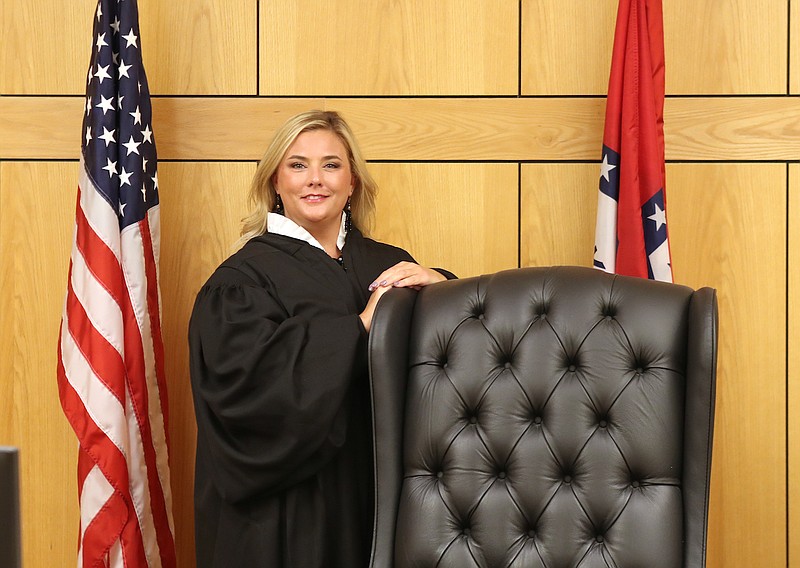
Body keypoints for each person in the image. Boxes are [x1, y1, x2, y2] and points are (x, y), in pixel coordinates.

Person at [188, 110, 454, 567]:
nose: (315, 179)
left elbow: (450, 367)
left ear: (352, 182)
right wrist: (359, 328)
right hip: (283, 518)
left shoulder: (390, 264)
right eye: (297, 165)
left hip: (377, 502)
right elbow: (244, 398)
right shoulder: (241, 282)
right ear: (275, 181)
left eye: (331, 165)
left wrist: (443, 288)